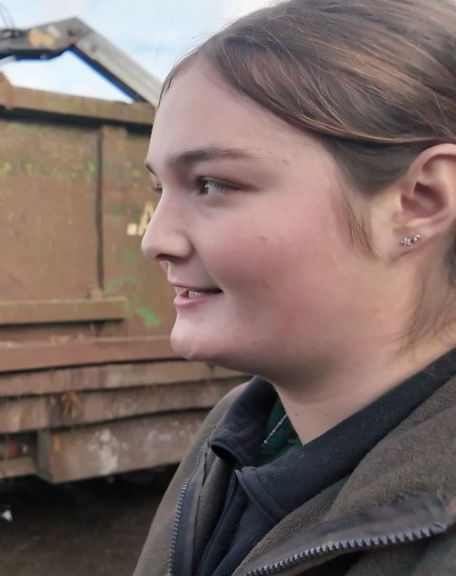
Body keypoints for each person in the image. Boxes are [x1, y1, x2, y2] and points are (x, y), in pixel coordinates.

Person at [134, 1, 456, 574]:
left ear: (420, 201)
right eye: (160, 187)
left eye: (211, 184)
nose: (156, 240)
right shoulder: (234, 431)